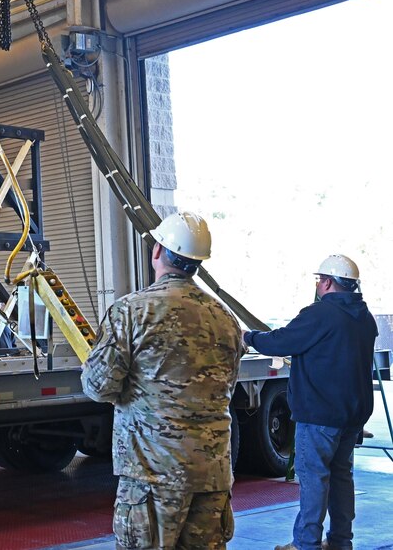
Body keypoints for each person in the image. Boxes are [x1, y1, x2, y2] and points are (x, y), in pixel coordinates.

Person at [82, 211, 244, 549]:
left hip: (152, 478)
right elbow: (226, 386)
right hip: (211, 475)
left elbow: (98, 386)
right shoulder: (226, 318)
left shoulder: (131, 311)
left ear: (157, 251)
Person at [243, 255, 378, 550]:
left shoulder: (320, 314)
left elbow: (280, 342)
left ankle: (306, 544)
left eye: (319, 280)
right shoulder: (365, 317)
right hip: (351, 415)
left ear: (327, 282)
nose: (317, 285)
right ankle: (341, 541)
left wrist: (249, 337)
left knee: (314, 480)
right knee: (341, 478)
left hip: (319, 416)